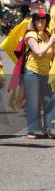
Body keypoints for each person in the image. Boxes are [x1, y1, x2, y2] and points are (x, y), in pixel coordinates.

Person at [23, 9, 55, 139]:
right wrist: (50, 42)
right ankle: (31, 129)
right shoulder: (30, 35)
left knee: (51, 100)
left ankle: (49, 128)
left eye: (43, 19)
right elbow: (39, 53)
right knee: (34, 101)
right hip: (32, 71)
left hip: (47, 72)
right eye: (37, 19)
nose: (40, 21)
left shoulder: (47, 34)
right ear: (34, 21)